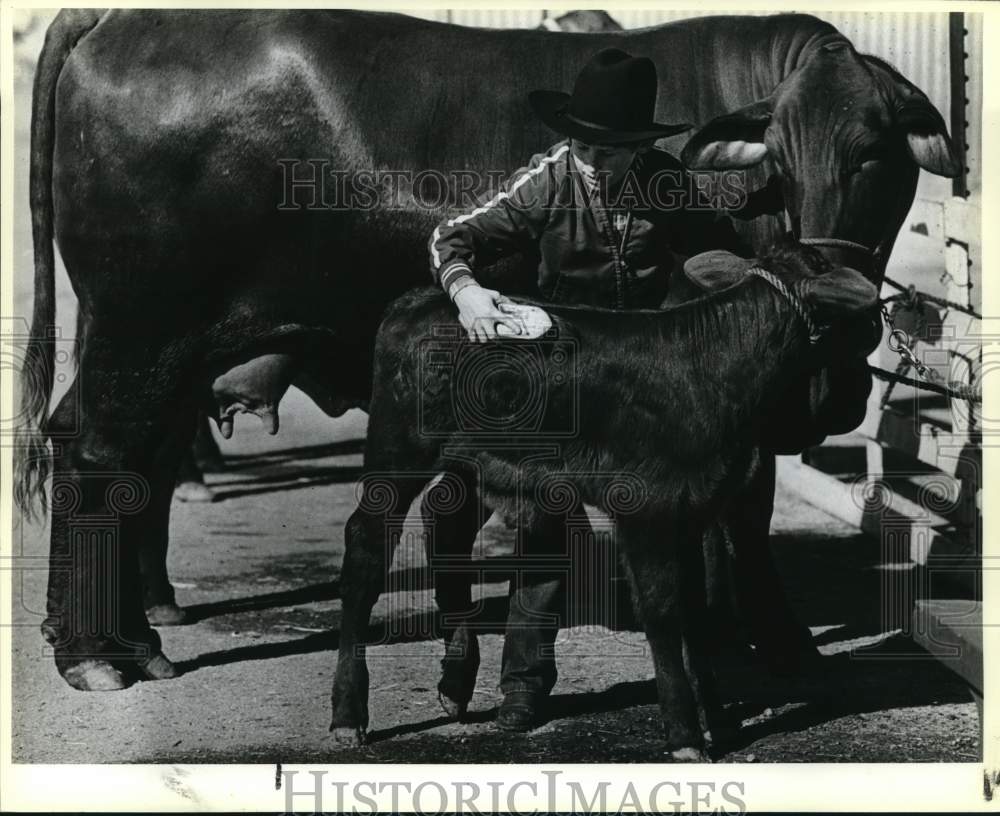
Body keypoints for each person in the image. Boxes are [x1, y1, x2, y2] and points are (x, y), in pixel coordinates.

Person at [427, 47, 779, 731]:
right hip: (564, 373)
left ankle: (701, 680)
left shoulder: (663, 181)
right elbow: (449, 236)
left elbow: (713, 250)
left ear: (641, 145)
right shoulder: (547, 182)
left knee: (681, 518)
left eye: (613, 149)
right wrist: (467, 293)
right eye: (586, 144)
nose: (596, 160)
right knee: (542, 517)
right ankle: (525, 681)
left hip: (645, 380)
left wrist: (754, 287)